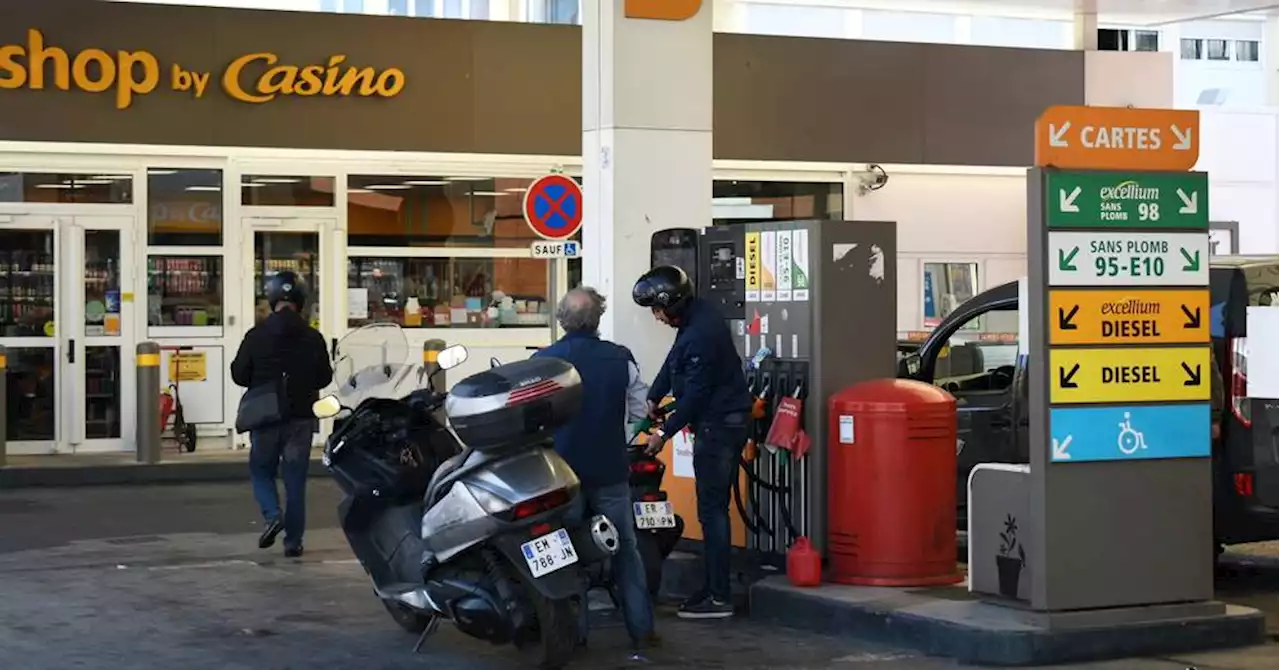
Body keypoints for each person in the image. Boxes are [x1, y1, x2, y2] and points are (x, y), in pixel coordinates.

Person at [533, 287, 658, 654]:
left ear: (561, 319)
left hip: (561, 475)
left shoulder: (544, 362)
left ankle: (576, 634)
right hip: (610, 469)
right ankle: (642, 629)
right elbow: (640, 410)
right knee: (626, 550)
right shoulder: (620, 359)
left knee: (566, 553)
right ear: (599, 318)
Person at [632, 265, 753, 620]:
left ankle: (718, 596)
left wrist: (663, 433)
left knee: (712, 511)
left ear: (670, 303)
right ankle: (714, 588)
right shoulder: (696, 318)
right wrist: (654, 396)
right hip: (719, 422)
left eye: (656, 309)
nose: (655, 317)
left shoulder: (701, 332)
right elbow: (674, 362)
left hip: (720, 426)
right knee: (712, 508)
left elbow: (697, 394)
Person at [230, 271, 333, 558]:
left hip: (265, 417)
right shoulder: (313, 337)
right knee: (295, 480)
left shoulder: (256, 335)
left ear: (272, 299)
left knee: (261, 470)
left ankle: (273, 515)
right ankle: (294, 542)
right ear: (301, 301)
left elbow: (239, 374)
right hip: (300, 418)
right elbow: (324, 378)